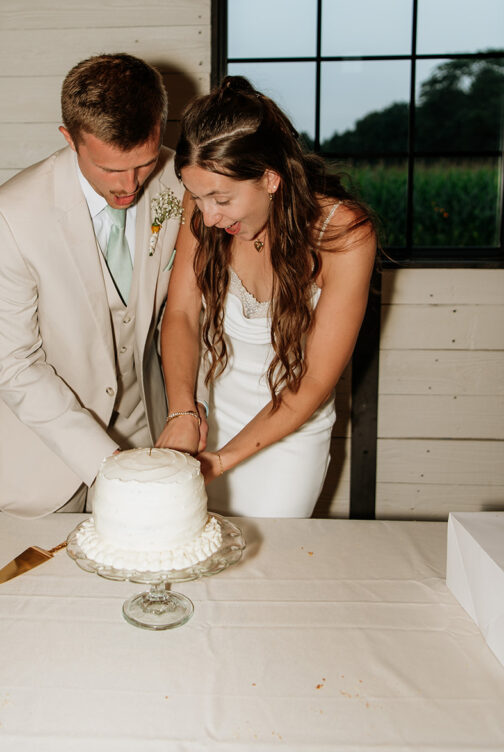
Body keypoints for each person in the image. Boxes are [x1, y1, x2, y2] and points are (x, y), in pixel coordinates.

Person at [0, 53, 193, 516]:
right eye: (110, 169)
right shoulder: (9, 215)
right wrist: (106, 464)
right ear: (69, 139)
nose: (129, 185)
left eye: (144, 163)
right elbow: (11, 361)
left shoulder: (181, 183)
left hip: (148, 426)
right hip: (41, 452)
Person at [156, 76, 376, 517]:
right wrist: (182, 412)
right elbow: (179, 313)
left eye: (221, 199)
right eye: (197, 197)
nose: (208, 216)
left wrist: (221, 461)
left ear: (270, 179)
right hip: (209, 419)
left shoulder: (344, 235)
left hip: (289, 432)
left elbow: (312, 380)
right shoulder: (202, 206)